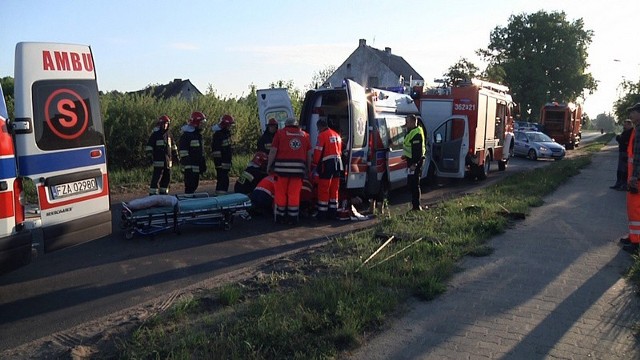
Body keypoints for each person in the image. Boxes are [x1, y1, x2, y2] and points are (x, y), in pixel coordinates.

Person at [266, 117, 312, 225]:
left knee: (280, 193)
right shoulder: (305, 135)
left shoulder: (280, 134)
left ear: (286, 125)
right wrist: (308, 168)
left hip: (281, 171)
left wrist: (269, 165)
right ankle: (293, 217)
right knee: (294, 194)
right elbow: (309, 154)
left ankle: (280, 217)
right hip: (298, 172)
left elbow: (273, 151)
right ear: (297, 125)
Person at [312, 117, 343, 220]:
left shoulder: (322, 136)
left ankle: (322, 213)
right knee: (334, 188)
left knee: (324, 188)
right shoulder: (336, 135)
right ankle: (333, 212)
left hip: (327, 164)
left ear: (319, 127)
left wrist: (315, 163)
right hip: (338, 164)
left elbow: (318, 152)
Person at [145, 115, 178, 195]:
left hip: (168, 162)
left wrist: (176, 156)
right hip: (158, 162)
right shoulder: (155, 135)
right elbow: (149, 147)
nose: (165, 125)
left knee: (167, 179)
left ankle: (164, 193)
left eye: (167, 124)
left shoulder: (169, 135)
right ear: (160, 124)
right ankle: (153, 194)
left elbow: (173, 146)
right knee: (156, 178)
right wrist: (149, 156)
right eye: (164, 124)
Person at [623, 103, 640, 254]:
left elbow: (639, 157)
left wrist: (635, 176)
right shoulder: (636, 129)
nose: (631, 115)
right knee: (631, 208)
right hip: (633, 176)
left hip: (637, 178)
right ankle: (632, 236)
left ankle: (636, 243)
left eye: (633, 112)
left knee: (635, 210)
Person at [401, 114, 426, 211]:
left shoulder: (416, 134)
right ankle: (414, 205)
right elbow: (410, 148)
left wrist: (414, 164)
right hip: (411, 161)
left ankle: (416, 206)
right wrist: (406, 155)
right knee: (411, 184)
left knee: (415, 184)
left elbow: (417, 152)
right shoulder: (411, 132)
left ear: (412, 122)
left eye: (407, 122)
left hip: (415, 163)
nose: (406, 124)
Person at [179, 111, 207, 194]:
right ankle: (187, 204)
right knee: (190, 188)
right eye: (201, 123)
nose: (202, 125)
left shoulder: (197, 135)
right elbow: (183, 152)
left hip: (195, 167)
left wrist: (202, 164)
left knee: (194, 186)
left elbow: (200, 153)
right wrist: (189, 166)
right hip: (189, 168)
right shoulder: (187, 135)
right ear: (196, 123)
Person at [212, 114, 234, 195]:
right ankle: (220, 199)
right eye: (229, 125)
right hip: (221, 164)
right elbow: (216, 151)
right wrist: (218, 164)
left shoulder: (226, 134)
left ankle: (221, 197)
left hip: (226, 163)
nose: (230, 127)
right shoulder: (218, 135)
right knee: (222, 181)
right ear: (225, 125)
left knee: (224, 181)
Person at [611, 119, 633, 190]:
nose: (624, 126)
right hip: (622, 151)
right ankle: (618, 183)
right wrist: (620, 138)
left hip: (626, 152)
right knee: (620, 169)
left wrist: (619, 138)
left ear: (630, 124)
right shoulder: (625, 132)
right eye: (624, 125)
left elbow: (622, 140)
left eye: (625, 125)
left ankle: (624, 185)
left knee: (624, 169)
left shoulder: (631, 132)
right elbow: (621, 140)